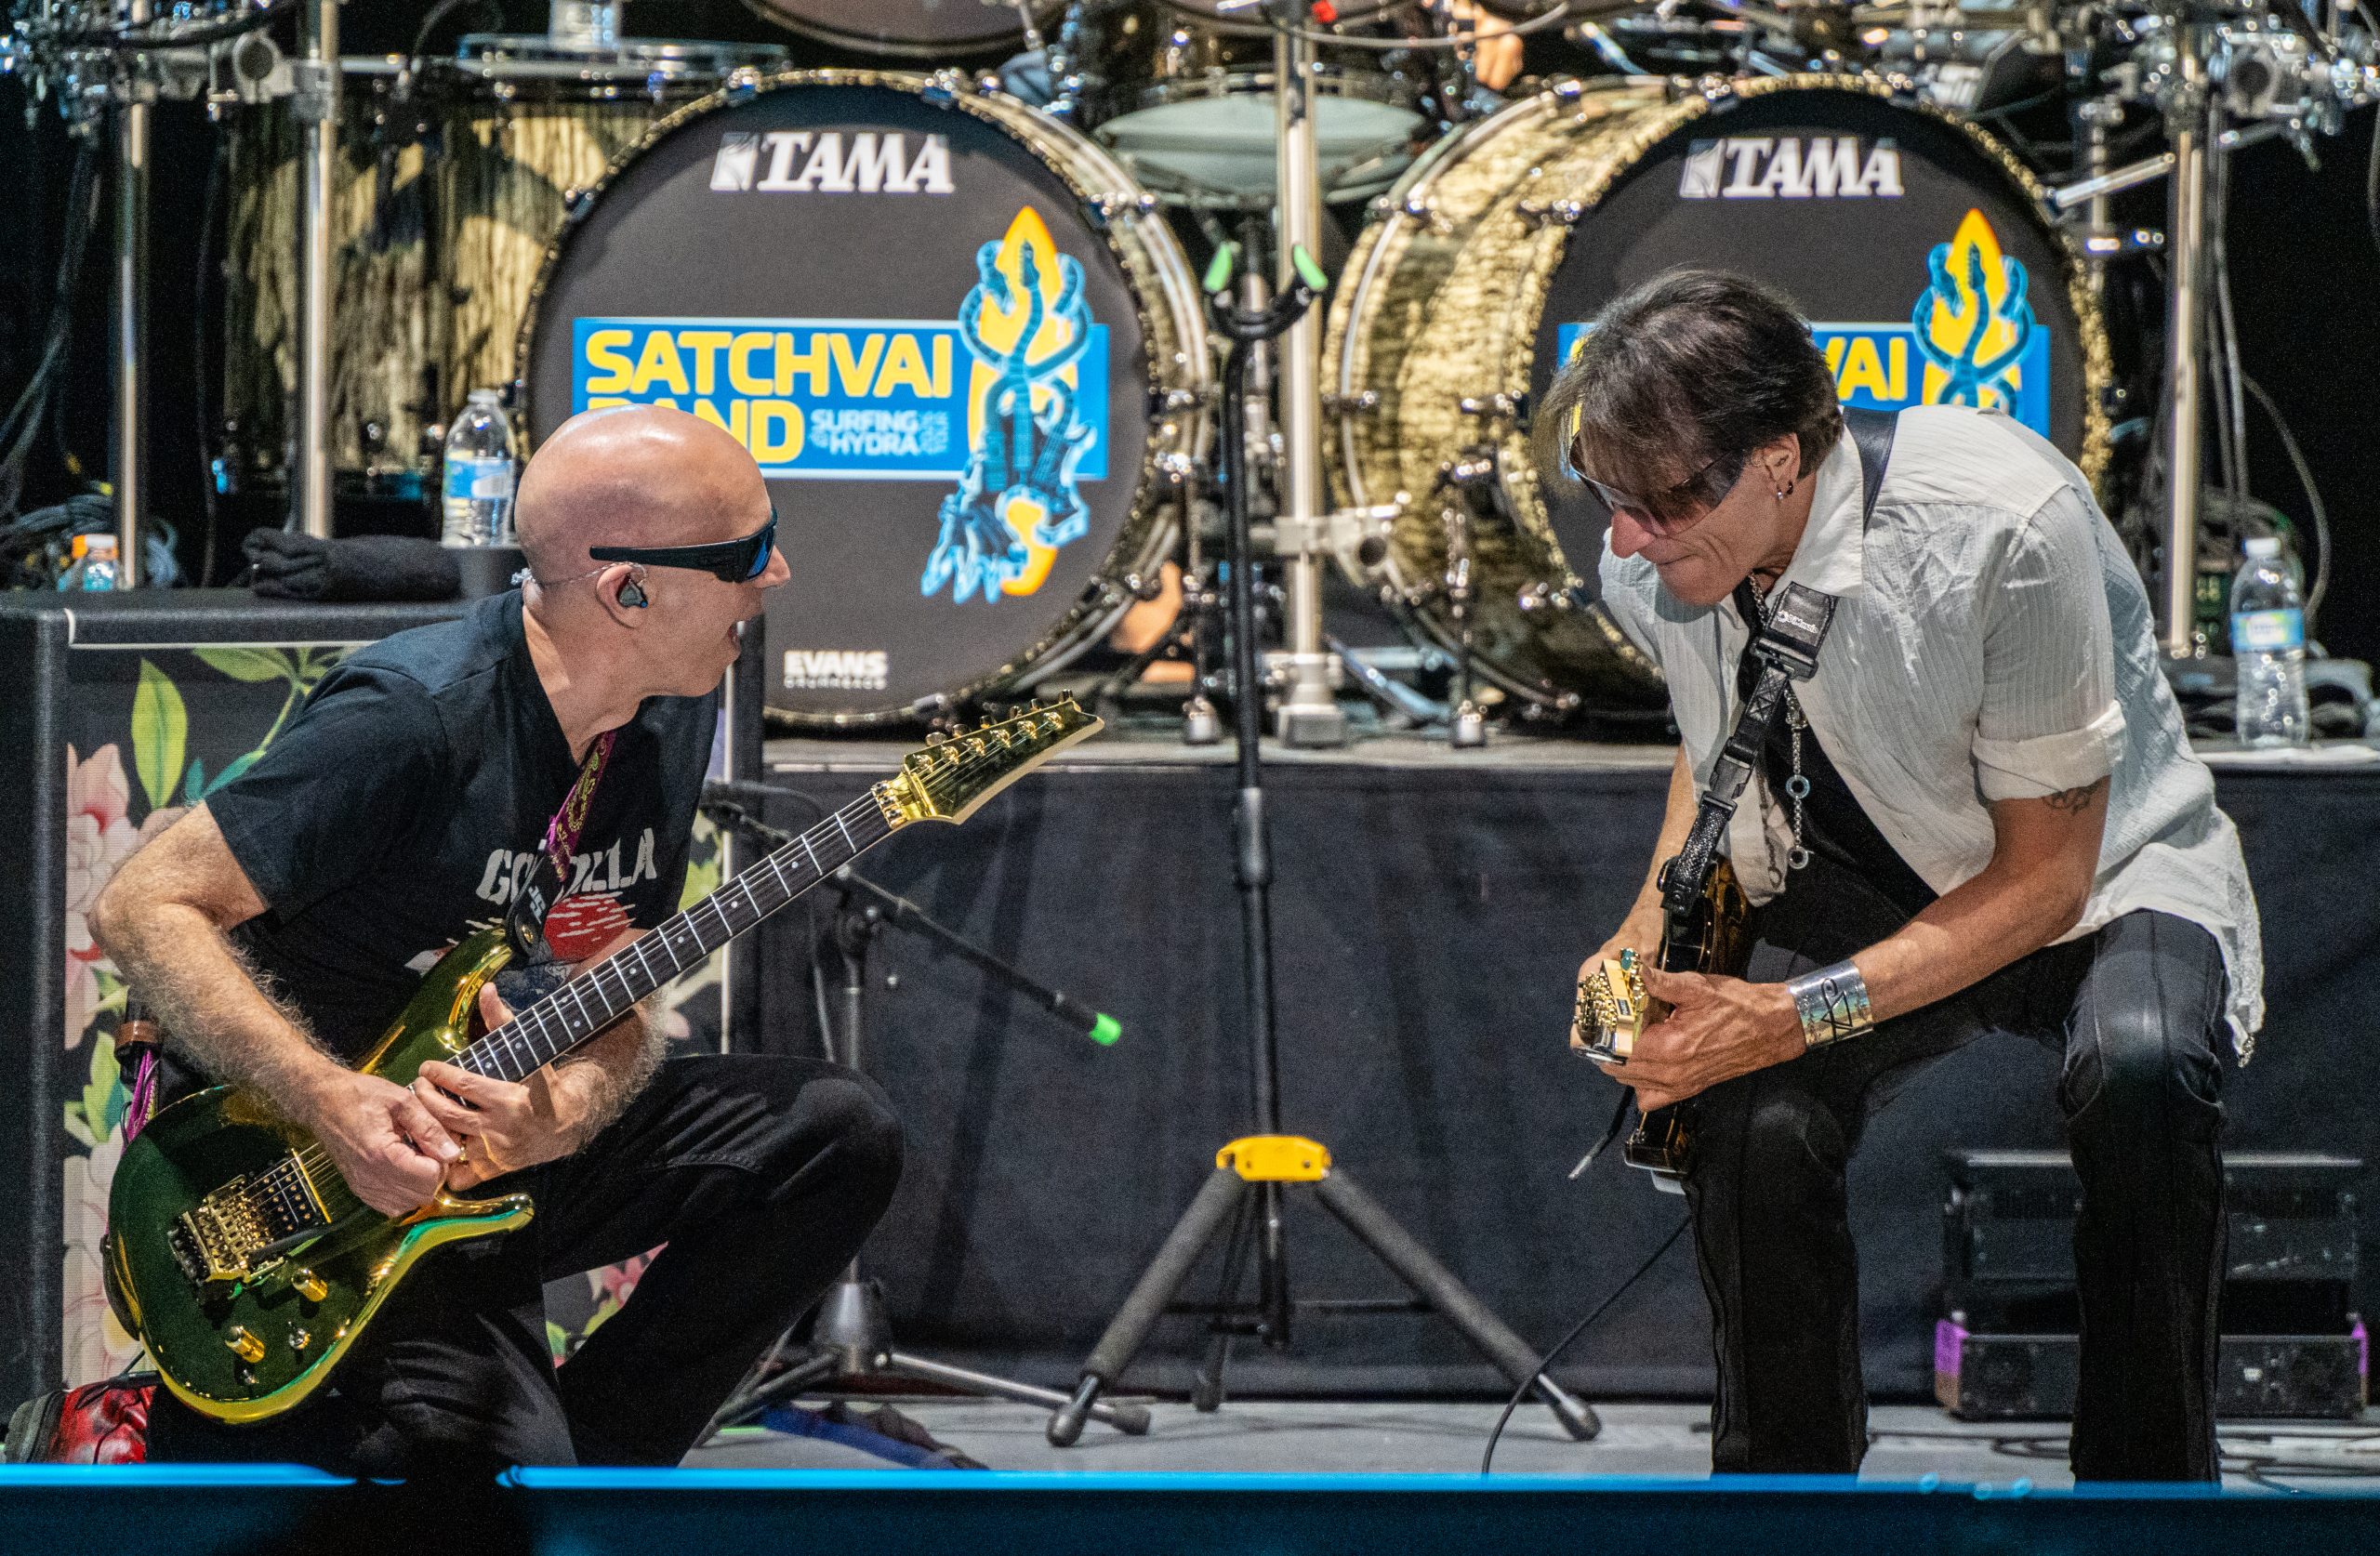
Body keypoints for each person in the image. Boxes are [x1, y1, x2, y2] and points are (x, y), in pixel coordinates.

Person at [92, 406, 905, 1473]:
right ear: (629, 590)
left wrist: (570, 1109)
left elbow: (613, 974)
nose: (777, 575)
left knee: (836, 1133)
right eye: (747, 553)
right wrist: (331, 1101)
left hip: (487, 1137)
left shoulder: (671, 707)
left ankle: (605, 1472)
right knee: (462, 1457)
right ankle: (173, 1432)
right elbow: (143, 905)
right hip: (304, 1169)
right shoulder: (415, 717)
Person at [1546, 270, 2263, 1481]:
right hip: (1872, 874)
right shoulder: (1660, 556)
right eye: (1608, 500)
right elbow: (1716, 737)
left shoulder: (1999, 525)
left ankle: (2143, 1501)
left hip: (2099, 876)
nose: (1625, 541)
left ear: (1778, 457)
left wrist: (1788, 1013)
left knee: (2140, 1070)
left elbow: (2043, 884)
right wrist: (1640, 929)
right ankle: (1790, 1509)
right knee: (1748, 1118)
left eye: (1660, 504)